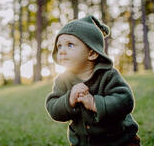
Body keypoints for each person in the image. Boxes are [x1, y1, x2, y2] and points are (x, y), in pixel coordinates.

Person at [45, 15, 140, 146]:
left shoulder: (108, 75)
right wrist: (69, 99)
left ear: (92, 53)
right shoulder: (63, 80)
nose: (62, 51)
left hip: (120, 141)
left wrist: (95, 103)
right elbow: (53, 108)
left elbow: (126, 100)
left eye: (70, 45)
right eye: (59, 46)